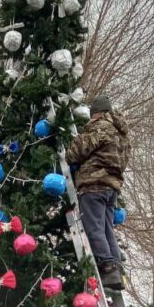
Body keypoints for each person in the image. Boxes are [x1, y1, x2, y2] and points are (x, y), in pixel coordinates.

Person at [65, 93, 130, 290]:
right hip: (112, 188)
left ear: (98, 114)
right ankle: (116, 268)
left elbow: (75, 153)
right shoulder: (122, 136)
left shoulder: (101, 127)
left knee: (93, 227)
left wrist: (73, 146)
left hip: (94, 184)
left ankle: (107, 266)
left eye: (92, 115)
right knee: (107, 228)